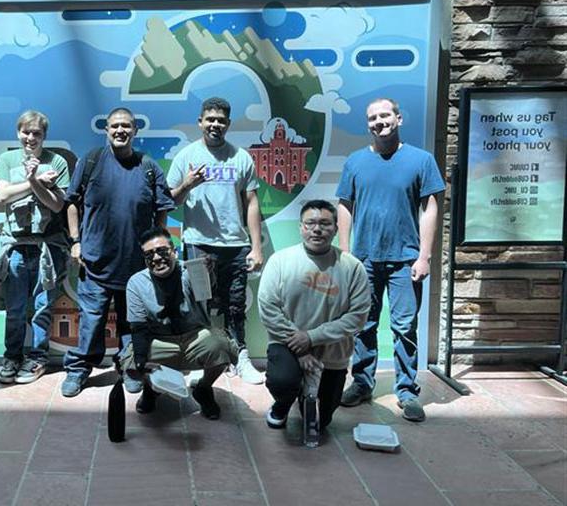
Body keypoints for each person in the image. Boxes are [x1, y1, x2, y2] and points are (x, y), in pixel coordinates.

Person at [335, 97, 445, 422]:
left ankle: (408, 390)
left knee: (404, 328)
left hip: (405, 260)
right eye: (372, 118)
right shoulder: (355, 162)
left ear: (398, 117)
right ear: (367, 123)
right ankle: (362, 384)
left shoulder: (421, 160)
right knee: (362, 325)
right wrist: (344, 254)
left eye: (385, 115)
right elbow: (344, 205)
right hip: (364, 260)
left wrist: (425, 257)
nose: (379, 122)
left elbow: (431, 208)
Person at [61, 107, 174, 397]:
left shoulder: (149, 167)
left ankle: (129, 368)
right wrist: (76, 240)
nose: (120, 130)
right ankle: (78, 370)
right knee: (91, 322)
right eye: (115, 126)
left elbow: (162, 211)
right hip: (95, 263)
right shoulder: (91, 161)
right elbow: (71, 202)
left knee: (131, 323)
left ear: (135, 131)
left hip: (136, 266)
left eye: (126, 126)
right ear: (107, 130)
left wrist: (156, 248)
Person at [167, 97, 265, 384]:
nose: (215, 125)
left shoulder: (241, 157)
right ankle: (202, 356)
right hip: (198, 243)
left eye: (221, 120)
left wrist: (256, 247)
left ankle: (239, 357)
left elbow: (252, 202)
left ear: (228, 124)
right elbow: (170, 200)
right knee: (198, 305)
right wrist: (188, 184)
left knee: (235, 305)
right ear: (200, 122)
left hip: (235, 245)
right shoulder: (186, 157)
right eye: (210, 119)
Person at [258, 200, 370, 435]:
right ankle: (282, 405)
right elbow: (268, 308)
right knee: (283, 383)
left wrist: (311, 337)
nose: (317, 229)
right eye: (310, 223)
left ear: (336, 228)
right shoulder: (280, 261)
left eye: (324, 224)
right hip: (288, 344)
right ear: (301, 227)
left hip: (332, 350)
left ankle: (307, 394)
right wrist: (300, 347)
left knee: (323, 419)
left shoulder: (352, 267)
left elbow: (357, 317)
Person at [123, 227, 236, 420]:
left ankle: (203, 388)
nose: (157, 258)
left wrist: (209, 274)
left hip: (195, 337)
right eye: (149, 255)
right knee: (132, 364)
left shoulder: (191, 271)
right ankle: (151, 390)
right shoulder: (136, 283)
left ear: (174, 251)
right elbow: (138, 327)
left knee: (222, 345)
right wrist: (141, 361)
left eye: (162, 251)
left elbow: (211, 297)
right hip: (160, 340)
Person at [0, 111, 69, 384]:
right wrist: (35, 182)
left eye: (37, 133)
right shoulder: (6, 159)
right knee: (14, 308)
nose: (31, 137)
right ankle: (12, 357)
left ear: (44, 136)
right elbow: (2, 195)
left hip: (49, 248)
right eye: (26, 132)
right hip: (15, 247)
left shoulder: (57, 161)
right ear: (18, 133)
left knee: (42, 308)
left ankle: (37, 359)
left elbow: (58, 205)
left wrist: (32, 182)